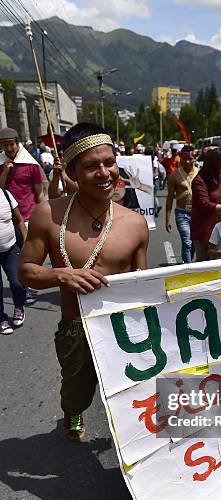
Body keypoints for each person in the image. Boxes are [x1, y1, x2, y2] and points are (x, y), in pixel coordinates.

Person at [18, 122, 149, 442]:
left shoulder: (135, 223)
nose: (105, 173)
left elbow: (143, 284)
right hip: (76, 325)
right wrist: (61, 274)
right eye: (91, 166)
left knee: (130, 393)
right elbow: (26, 271)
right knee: (76, 387)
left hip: (123, 327)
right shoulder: (48, 215)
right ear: (72, 173)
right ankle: (73, 410)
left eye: (109, 162)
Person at [0, 127, 46, 305]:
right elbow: (0, 188)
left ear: (17, 143)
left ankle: (32, 287)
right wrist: (4, 171)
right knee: (14, 256)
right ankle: (20, 285)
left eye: (11, 144)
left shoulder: (31, 165)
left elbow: (38, 193)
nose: (9, 148)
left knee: (30, 255)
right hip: (5, 218)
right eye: (5, 145)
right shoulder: (1, 163)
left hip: (27, 216)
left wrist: (44, 216)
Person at [190, 149, 221, 262]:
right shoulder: (199, 181)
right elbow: (204, 204)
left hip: (220, 227)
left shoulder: (219, 177)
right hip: (204, 229)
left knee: (220, 262)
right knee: (203, 264)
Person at [0, 187, 27, 334]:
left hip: (10, 248)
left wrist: (27, 244)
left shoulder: (5, 194)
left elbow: (20, 220)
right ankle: (1, 318)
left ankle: (19, 306)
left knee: (17, 282)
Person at [165, 145, 198, 263]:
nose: (188, 162)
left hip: (197, 213)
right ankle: (187, 268)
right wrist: (167, 219)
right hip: (181, 213)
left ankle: (189, 261)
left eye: (190, 159)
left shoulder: (200, 174)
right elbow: (169, 198)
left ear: (195, 158)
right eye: (185, 159)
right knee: (187, 241)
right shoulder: (174, 176)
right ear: (180, 159)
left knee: (195, 242)